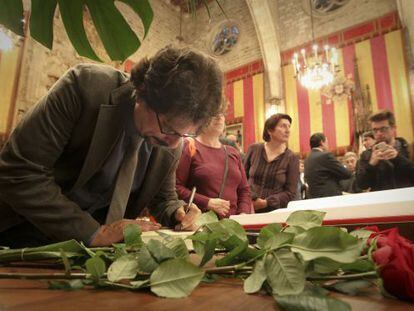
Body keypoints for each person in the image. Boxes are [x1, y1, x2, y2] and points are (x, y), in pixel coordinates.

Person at [0, 46, 223, 248]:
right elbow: (20, 171)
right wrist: (94, 232)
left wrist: (178, 212)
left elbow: (163, 198)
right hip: (19, 237)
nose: (174, 143)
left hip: (92, 256)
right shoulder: (84, 87)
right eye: (167, 126)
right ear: (143, 92)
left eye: (185, 134)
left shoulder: (170, 141)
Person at [176, 113, 251, 218]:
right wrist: (207, 202)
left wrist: (243, 213)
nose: (219, 117)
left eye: (222, 113)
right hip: (199, 224)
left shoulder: (232, 152)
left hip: (234, 225)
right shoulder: (189, 147)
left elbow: (244, 190)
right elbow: (176, 188)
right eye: (213, 113)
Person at [244, 114, 299, 213]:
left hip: (275, 212)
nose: (288, 130)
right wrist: (252, 198)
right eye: (283, 126)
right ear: (270, 130)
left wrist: (266, 202)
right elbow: (242, 178)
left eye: (289, 126)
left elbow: (290, 193)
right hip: (249, 207)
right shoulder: (254, 149)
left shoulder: (291, 157)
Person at [356, 110, 414, 191]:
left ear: (393, 128)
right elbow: (361, 185)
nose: (379, 133)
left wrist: (398, 158)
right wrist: (371, 165)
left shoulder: (409, 149)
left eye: (383, 129)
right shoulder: (366, 155)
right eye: (375, 130)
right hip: (382, 201)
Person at [304, 133, 351, 198]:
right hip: (330, 198)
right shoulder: (325, 156)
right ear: (322, 143)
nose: (328, 145)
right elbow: (346, 174)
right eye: (327, 142)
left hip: (315, 198)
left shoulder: (307, 159)